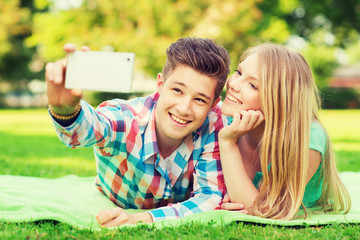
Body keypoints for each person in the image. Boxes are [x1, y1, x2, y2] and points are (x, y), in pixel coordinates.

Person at [45, 37, 230, 226]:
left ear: (213, 104)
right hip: (115, 196)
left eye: (200, 100)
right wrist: (66, 111)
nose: (184, 108)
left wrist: (142, 218)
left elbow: (210, 198)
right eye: (177, 90)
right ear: (160, 84)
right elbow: (89, 127)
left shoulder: (214, 124)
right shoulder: (125, 119)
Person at [218, 43, 351, 220]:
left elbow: (266, 211)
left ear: (279, 100)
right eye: (239, 72)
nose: (233, 84)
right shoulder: (226, 119)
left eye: (252, 85)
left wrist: (227, 143)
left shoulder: (308, 138)